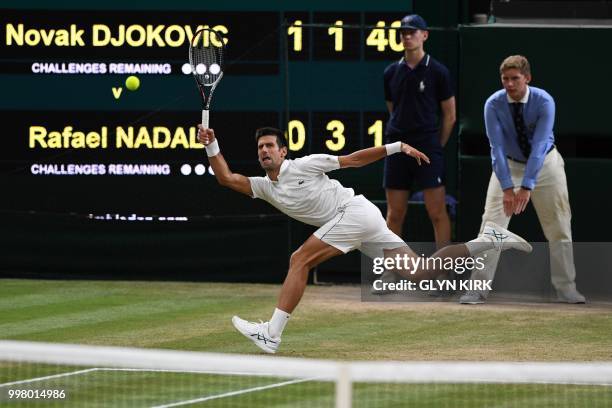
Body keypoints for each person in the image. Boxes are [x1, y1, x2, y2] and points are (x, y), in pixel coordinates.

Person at [197, 125, 532, 353]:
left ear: (283, 152)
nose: (265, 150)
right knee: (419, 273)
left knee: (299, 259)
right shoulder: (264, 187)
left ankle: (271, 333)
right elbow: (226, 178)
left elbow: (353, 160)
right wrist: (211, 143)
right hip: (360, 223)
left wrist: (397, 146)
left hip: (354, 213)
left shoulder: (306, 165)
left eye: (271, 145)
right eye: (261, 147)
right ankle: (487, 238)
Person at [459, 55, 586, 305]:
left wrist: (527, 185)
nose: (509, 84)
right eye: (505, 79)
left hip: (546, 166)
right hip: (508, 165)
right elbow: (495, 148)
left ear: (527, 78)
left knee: (559, 226)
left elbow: (539, 145)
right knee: (491, 227)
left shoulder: (544, 101)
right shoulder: (493, 104)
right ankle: (477, 287)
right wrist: (508, 187)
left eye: (515, 78)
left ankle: (566, 288)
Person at [383, 14, 456, 248]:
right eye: (403, 32)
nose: (407, 36)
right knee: (394, 214)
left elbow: (450, 115)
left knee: (437, 212)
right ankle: (392, 271)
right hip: (397, 146)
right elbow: (393, 108)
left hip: (427, 146)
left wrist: (435, 145)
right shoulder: (391, 72)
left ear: (424, 35)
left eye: (412, 32)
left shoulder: (438, 71)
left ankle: (442, 271)